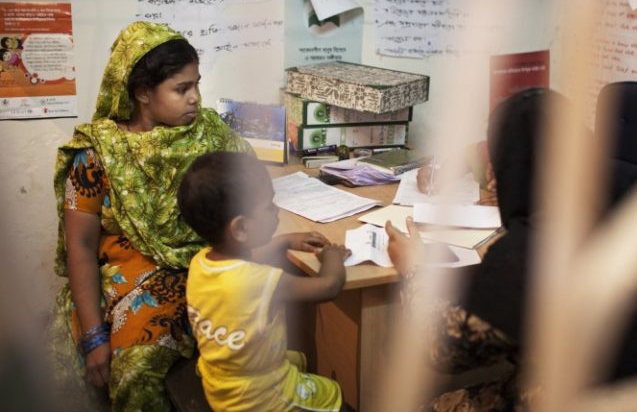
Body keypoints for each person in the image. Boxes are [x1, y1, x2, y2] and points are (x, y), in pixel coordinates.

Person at [48, 21, 322, 411]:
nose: (195, 98)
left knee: (146, 365)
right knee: (99, 365)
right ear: (143, 93)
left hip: (200, 275)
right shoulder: (97, 153)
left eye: (196, 84)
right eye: (181, 89)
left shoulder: (211, 133)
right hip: (123, 281)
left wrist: (277, 242)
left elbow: (242, 209)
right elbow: (80, 245)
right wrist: (93, 335)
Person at [386, 88, 553, 411]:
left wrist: (413, 268)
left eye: (499, 168)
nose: (490, 180)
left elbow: (443, 350)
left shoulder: (526, 254)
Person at [178, 151, 350, 412]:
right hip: (260, 399)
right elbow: (329, 287)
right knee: (334, 394)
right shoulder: (258, 282)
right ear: (241, 228)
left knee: (298, 358)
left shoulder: (201, 263)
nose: (277, 210)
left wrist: (284, 240)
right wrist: (332, 257)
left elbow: (247, 259)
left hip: (221, 385)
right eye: (269, 205)